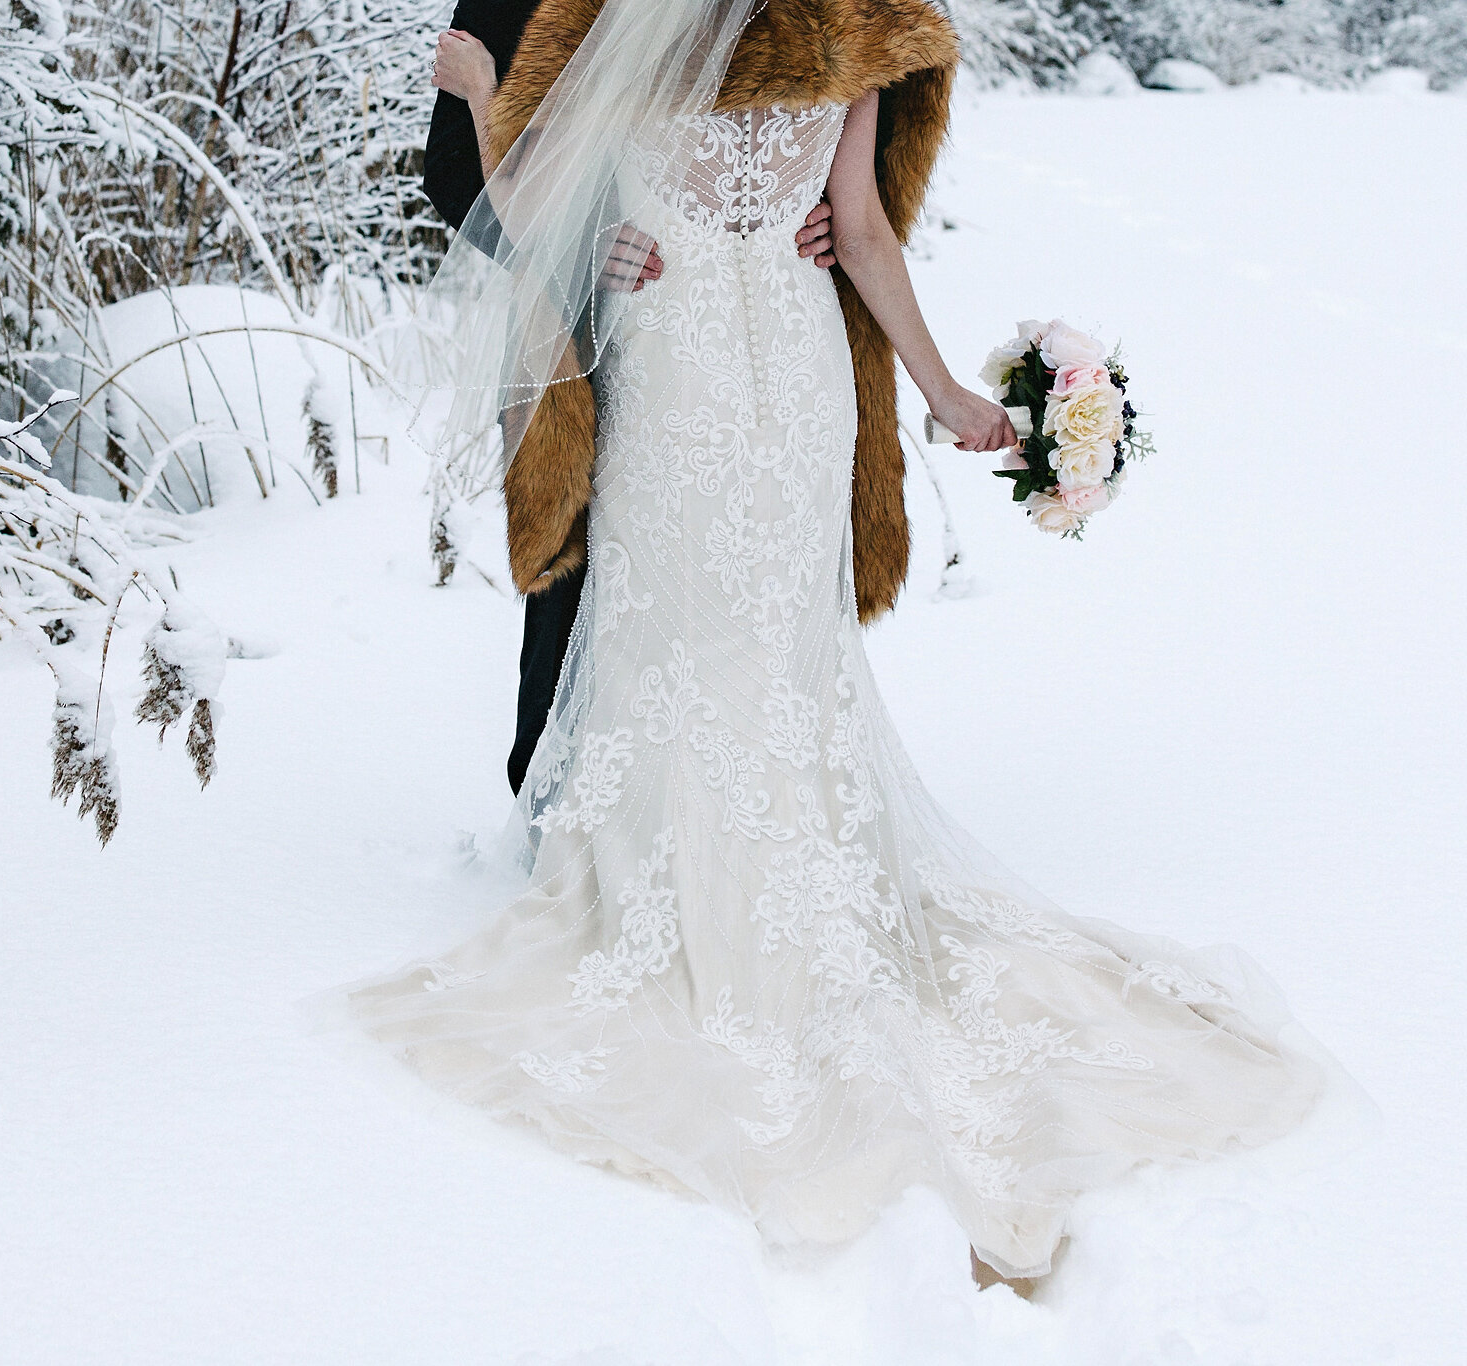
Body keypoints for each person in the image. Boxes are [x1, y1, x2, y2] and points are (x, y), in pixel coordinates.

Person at [350, 0, 1330, 1296]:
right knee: (786, 655)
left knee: (683, 645)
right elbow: (859, 233)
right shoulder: (843, 29)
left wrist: (480, 96)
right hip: (799, 380)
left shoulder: (621, 34)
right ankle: (791, 880)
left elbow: (523, 217)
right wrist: (944, 394)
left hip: (683, 373)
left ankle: (691, 893)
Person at [423, 6, 839, 796]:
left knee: (755, 557)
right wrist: (584, 240)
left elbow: (848, 144)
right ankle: (554, 804)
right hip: (576, 324)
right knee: (575, 575)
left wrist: (805, 218)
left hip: (751, 330)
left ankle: (756, 790)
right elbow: (452, 171)